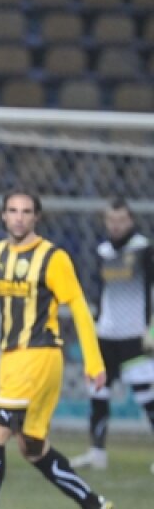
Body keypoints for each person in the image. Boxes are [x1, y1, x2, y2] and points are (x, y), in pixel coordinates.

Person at [0, 189, 113, 509]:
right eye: (12, 210)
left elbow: (78, 306)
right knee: (32, 448)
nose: (18, 217)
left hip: (40, 356)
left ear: (36, 217)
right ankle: (93, 504)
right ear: (2, 216)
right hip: (14, 360)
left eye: (26, 211)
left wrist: (94, 361)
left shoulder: (52, 258)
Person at [69, 198, 154, 474]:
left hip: (134, 337)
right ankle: (97, 454)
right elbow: (99, 291)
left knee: (148, 397)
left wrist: (151, 329)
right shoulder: (102, 251)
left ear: (130, 221)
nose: (116, 226)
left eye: (121, 220)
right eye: (111, 220)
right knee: (98, 394)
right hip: (105, 334)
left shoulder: (144, 249)